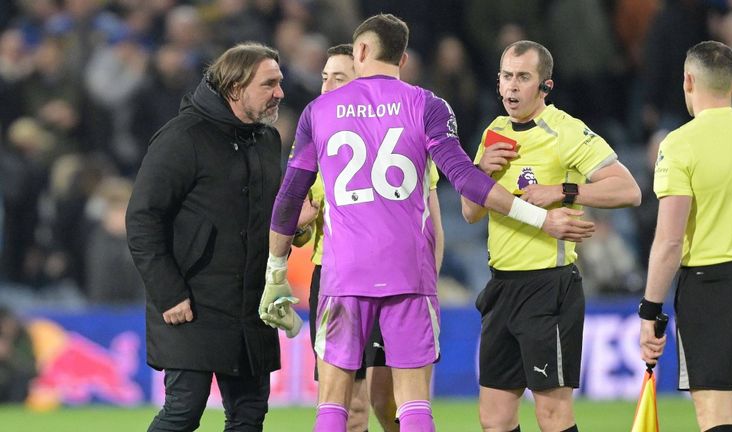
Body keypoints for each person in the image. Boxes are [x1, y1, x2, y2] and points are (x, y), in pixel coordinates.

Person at [260, 15, 594, 432]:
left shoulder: (318, 111)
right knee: (413, 404)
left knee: (333, 405)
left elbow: (289, 197)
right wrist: (540, 218)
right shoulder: (428, 105)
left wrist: (275, 270)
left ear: (360, 51)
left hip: (342, 273)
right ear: (402, 58)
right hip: (408, 272)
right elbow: (466, 179)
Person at [461, 40, 641, 432]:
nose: (512, 86)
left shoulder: (565, 131)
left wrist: (563, 190)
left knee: (552, 416)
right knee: (494, 419)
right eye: (506, 76)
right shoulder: (493, 131)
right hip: (501, 286)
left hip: (548, 286)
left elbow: (629, 190)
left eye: (523, 77)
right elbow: (470, 213)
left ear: (545, 86)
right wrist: (482, 170)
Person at [126, 42, 285, 432]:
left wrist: (294, 224)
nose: (280, 93)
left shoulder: (267, 139)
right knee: (184, 411)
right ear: (235, 88)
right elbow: (143, 219)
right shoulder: (182, 137)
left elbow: (265, 213)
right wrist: (168, 292)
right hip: (192, 301)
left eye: (279, 82)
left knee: (249, 416)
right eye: (269, 84)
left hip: (251, 303)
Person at [293, 43, 444, 432]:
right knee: (353, 406)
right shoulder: (319, 136)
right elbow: (298, 229)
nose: (328, 86)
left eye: (338, 78)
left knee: (385, 401)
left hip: (395, 274)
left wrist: (428, 279)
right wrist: (300, 225)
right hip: (333, 275)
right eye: (324, 78)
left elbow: (432, 223)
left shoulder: (400, 137)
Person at [639, 40, 732, 432]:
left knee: (715, 415)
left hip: (711, 286)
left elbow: (670, 241)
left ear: (688, 81)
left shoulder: (679, 144)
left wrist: (650, 311)